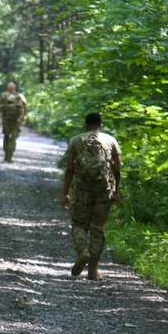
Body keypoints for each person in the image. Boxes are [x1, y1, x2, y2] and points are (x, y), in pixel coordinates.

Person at [61, 112, 121, 281]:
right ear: (100, 125)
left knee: (78, 223)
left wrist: (65, 193)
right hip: (104, 191)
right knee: (97, 227)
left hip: (82, 190)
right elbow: (117, 169)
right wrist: (116, 190)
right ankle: (93, 270)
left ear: (85, 125)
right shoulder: (111, 141)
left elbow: (70, 169)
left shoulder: (76, 141)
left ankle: (82, 251)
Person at [0, 82, 28, 162]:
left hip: (5, 120)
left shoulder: (3, 96)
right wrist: (22, 116)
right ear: (15, 88)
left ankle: (6, 155)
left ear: (7, 88)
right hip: (16, 121)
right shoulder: (20, 96)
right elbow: (25, 106)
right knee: (13, 138)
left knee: (6, 137)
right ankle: (10, 155)